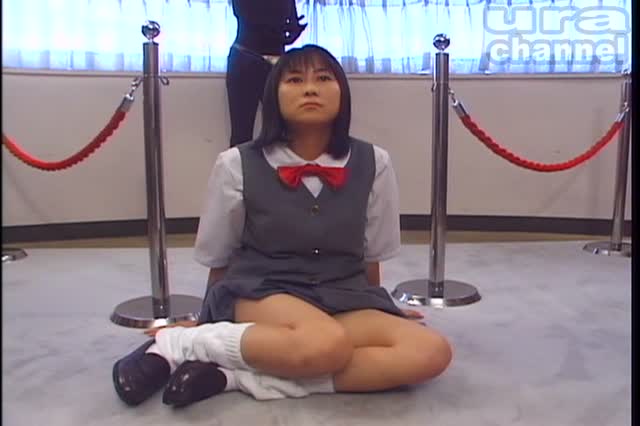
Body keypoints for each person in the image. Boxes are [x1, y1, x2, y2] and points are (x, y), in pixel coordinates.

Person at [112, 44, 453, 408]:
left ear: (342, 92)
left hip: (343, 294)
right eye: (294, 80)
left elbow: (371, 255)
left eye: (323, 78)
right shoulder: (236, 163)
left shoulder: (375, 161)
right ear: (273, 95)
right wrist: (208, 320)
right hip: (263, 291)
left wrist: (381, 308)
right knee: (327, 344)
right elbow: (221, 256)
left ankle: (237, 376)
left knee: (430, 351)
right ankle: (176, 345)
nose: (310, 89)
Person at [226, 0, 307, 147]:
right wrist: (281, 33)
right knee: (242, 135)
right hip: (246, 59)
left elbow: (292, 24)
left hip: (274, 63)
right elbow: (249, 17)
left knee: (283, 133)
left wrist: (292, 31)